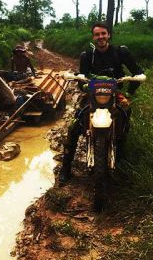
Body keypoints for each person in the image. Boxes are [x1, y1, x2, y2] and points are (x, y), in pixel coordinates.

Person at [59, 21, 146, 184]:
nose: (100, 37)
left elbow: (137, 71)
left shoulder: (121, 52)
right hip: (93, 94)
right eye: (97, 34)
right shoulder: (87, 55)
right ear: (93, 37)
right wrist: (83, 84)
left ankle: (121, 152)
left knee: (125, 114)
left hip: (115, 93)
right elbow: (81, 78)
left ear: (109, 35)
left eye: (103, 34)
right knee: (75, 124)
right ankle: (65, 169)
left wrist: (129, 91)